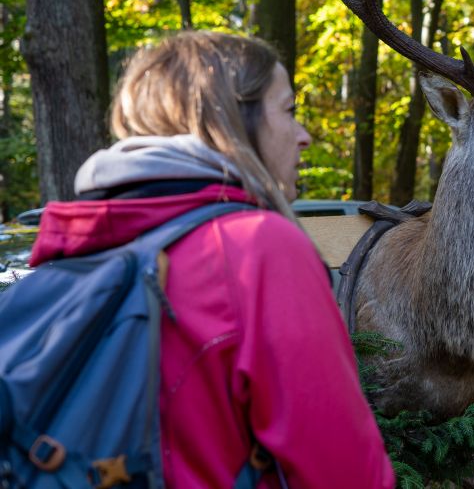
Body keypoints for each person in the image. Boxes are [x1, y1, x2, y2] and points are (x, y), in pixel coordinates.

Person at [28, 32, 395, 488]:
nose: (304, 136)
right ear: (233, 118)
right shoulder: (255, 249)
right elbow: (345, 471)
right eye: (289, 110)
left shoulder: (84, 241)